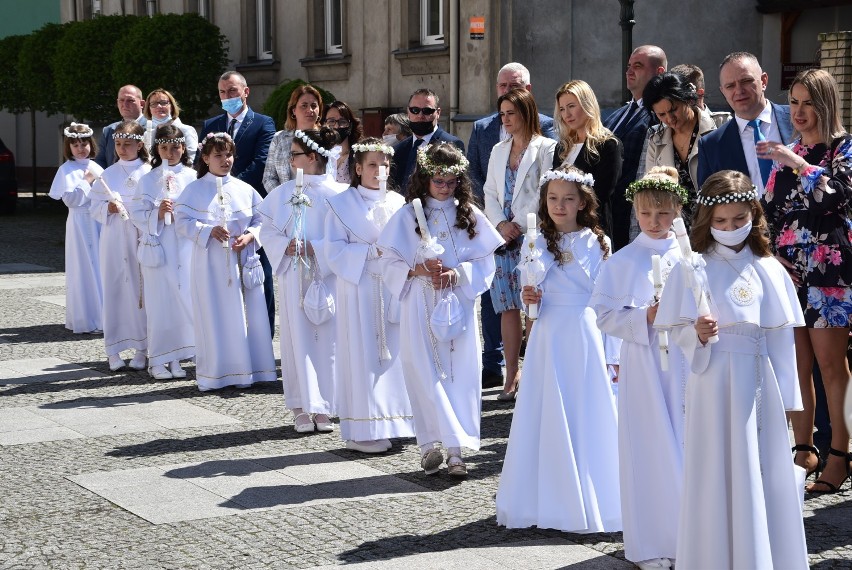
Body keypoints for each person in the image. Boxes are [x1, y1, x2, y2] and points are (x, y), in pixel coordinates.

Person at [655, 170, 808, 569]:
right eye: (720, 222)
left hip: (758, 385)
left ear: (753, 216)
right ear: (707, 222)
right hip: (711, 383)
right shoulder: (692, 267)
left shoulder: (769, 268)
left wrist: (790, 399)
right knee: (714, 471)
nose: (729, 228)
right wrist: (698, 334)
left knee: (759, 470)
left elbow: (780, 338)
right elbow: (673, 333)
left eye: (739, 220)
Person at [496, 164, 621, 533]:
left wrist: (613, 353)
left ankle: (592, 495)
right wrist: (529, 297)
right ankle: (544, 496)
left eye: (568, 199)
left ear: (583, 202)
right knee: (546, 409)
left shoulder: (597, 242)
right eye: (553, 198)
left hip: (583, 332)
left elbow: (605, 298)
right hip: (548, 333)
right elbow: (530, 300)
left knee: (585, 409)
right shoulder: (535, 242)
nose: (560, 205)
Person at [377, 143, 502, 477]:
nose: (445, 187)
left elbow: (486, 261)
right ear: (425, 178)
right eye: (438, 181)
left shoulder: (470, 216)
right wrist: (416, 270)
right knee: (423, 369)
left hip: (458, 301)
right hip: (420, 299)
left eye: (450, 181)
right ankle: (430, 444)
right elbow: (387, 260)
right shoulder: (407, 216)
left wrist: (457, 273)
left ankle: (457, 450)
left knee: (459, 372)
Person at [591, 167, 689, 569]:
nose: (655, 221)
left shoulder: (690, 255)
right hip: (644, 364)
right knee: (648, 447)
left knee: (685, 444)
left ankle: (689, 538)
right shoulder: (622, 261)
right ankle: (651, 544)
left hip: (684, 363)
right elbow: (603, 314)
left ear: (678, 211)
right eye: (647, 213)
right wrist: (643, 317)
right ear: (635, 210)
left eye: (664, 213)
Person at [760, 68, 852, 494]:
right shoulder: (789, 151)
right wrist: (769, 251)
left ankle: (841, 454)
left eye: (807, 102)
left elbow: (835, 197)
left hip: (830, 273)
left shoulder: (843, 149)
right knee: (796, 366)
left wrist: (797, 163)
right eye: (793, 102)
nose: (798, 111)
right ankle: (803, 448)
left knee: (832, 367)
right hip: (789, 273)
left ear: (825, 103)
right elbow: (769, 213)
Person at [468, 61, 557, 390]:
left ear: (526, 112)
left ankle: (532, 372)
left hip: (531, 237)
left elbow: (544, 192)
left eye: (510, 113)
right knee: (507, 306)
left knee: (532, 304)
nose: (504, 120)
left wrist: (518, 224)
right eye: (502, 113)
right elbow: (489, 191)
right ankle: (510, 376)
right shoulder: (497, 149)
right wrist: (501, 224)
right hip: (502, 238)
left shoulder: (546, 148)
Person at [324, 137, 415, 453]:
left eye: (385, 164)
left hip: (392, 287)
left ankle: (395, 421)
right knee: (363, 354)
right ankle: (362, 430)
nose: (379, 170)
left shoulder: (398, 203)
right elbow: (332, 249)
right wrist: (367, 252)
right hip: (361, 287)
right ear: (359, 168)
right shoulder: (340, 205)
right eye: (373, 164)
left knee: (396, 354)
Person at [258, 128, 347, 433]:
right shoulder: (283, 194)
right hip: (294, 274)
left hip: (327, 276)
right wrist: (285, 245)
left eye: (294, 154)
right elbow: (266, 229)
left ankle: (324, 405)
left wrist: (316, 248)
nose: (290, 160)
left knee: (328, 340)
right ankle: (299, 405)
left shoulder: (338, 195)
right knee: (297, 338)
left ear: (311, 157)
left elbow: (345, 239)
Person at [175, 132, 277, 391]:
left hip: (242, 260)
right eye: (218, 155)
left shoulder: (244, 189)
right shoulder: (194, 190)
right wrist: (207, 230)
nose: (225, 160)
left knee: (247, 314)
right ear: (206, 158)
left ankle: (251, 370)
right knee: (215, 313)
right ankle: (219, 371)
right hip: (210, 263)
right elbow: (182, 221)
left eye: (229, 154)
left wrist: (250, 236)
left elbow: (262, 219)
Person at [199, 71, 277, 335]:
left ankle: (263, 333)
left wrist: (230, 187)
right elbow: (204, 165)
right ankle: (228, 336)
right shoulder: (211, 124)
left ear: (246, 92)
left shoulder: (263, 123)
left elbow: (260, 162)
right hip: (216, 213)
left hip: (249, 208)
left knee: (259, 275)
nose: (227, 97)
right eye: (222, 92)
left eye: (232, 91)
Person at [131, 125, 196, 380]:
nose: (170, 152)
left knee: (182, 300)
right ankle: (157, 358)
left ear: (183, 147)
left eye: (175, 146)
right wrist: (156, 214)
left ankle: (178, 356)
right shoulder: (148, 179)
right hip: (160, 247)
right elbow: (136, 213)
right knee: (160, 303)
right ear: (157, 148)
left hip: (185, 247)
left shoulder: (192, 176)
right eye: (164, 147)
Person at [89, 121, 150, 372]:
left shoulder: (149, 172)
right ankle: (113, 349)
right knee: (114, 287)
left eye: (127, 144)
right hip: (114, 237)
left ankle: (142, 347)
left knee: (141, 290)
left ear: (139, 144)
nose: (122, 149)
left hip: (140, 235)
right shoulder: (107, 174)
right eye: (118, 144)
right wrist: (108, 208)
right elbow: (93, 207)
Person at [696, 52, 793, 197]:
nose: (739, 91)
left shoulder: (797, 119)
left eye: (746, 81)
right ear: (723, 91)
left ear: (764, 81)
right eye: (730, 86)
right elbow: (709, 205)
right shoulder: (711, 146)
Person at [603, 45, 667, 250]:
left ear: (659, 72)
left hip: (635, 215)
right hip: (607, 215)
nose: (629, 71)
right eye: (629, 66)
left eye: (638, 66)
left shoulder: (660, 116)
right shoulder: (616, 115)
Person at [642, 71, 720, 231]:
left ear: (688, 99)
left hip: (716, 226)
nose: (669, 119)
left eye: (674, 110)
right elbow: (651, 191)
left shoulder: (719, 126)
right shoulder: (655, 140)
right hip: (675, 231)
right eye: (661, 114)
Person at [48, 122, 104, 334]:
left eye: (84, 144)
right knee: (84, 267)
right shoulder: (66, 170)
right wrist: (86, 182)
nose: (81, 148)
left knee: (100, 266)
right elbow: (70, 200)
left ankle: (104, 316)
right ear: (69, 148)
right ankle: (87, 318)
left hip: (98, 222)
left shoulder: (97, 166)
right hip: (80, 223)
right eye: (76, 145)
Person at [552, 79, 623, 238]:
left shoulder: (608, 145)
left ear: (587, 104)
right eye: (562, 109)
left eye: (571, 106)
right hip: (559, 230)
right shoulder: (562, 147)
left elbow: (601, 194)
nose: (566, 115)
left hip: (592, 230)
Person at [390, 88, 464, 193]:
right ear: (408, 112)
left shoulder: (451, 145)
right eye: (415, 110)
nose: (420, 116)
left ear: (438, 113)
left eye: (427, 111)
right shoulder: (398, 150)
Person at [263, 84, 323, 193]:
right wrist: (284, 198)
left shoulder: (325, 138)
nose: (310, 110)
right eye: (304, 105)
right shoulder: (279, 138)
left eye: (314, 105)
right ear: (294, 110)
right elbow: (269, 177)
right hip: (284, 203)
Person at [93, 85, 147, 168]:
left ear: (142, 104)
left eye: (130, 100)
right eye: (121, 100)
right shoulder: (109, 130)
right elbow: (100, 161)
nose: (125, 104)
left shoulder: (153, 128)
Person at [142, 88, 199, 163]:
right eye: (153, 104)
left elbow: (190, 159)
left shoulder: (186, 130)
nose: (159, 106)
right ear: (149, 109)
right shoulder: (148, 134)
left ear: (171, 106)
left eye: (163, 103)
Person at [669, 63, 731, 127]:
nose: (674, 102)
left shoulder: (723, 123)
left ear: (700, 94)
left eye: (681, 96)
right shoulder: (665, 129)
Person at [322, 100, 363, 185]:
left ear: (350, 125)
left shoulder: (359, 156)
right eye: (331, 121)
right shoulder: (320, 155)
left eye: (342, 122)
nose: (337, 126)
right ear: (324, 124)